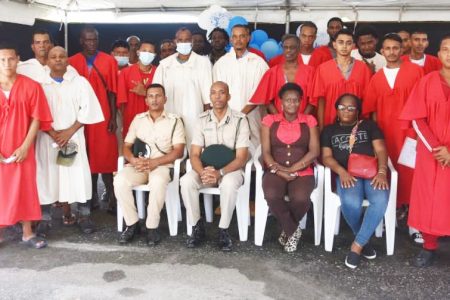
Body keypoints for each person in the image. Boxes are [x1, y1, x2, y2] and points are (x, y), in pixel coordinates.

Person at [363, 33, 424, 244]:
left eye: (395, 48)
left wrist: (418, 134)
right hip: (384, 136)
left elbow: (422, 105)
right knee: (386, 177)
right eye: (387, 48)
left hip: (410, 135)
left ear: (402, 49)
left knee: (413, 179)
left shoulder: (416, 72)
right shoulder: (376, 78)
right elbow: (370, 111)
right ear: (383, 50)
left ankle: (415, 225)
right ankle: (390, 218)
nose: (391, 52)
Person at [36, 46, 104, 235]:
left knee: (77, 176)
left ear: (68, 60)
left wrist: (68, 132)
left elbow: (88, 109)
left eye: (62, 56)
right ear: (47, 61)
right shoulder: (39, 85)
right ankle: (45, 218)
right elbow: (35, 112)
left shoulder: (79, 82)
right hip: (46, 138)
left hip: (72, 138)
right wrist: (52, 132)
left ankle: (83, 215)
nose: (58, 59)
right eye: (53, 57)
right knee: (47, 177)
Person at [321, 93, 390, 269]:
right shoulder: (329, 130)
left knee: (380, 199)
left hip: (372, 172)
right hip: (347, 173)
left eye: (351, 108)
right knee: (351, 202)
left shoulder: (369, 126)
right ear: (336, 110)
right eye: (342, 107)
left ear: (358, 111)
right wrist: (341, 172)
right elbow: (327, 157)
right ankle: (364, 240)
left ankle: (357, 245)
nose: (346, 111)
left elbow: (381, 149)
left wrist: (382, 171)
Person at [180, 81, 250, 252]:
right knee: (187, 181)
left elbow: (242, 157)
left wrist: (220, 172)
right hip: (207, 169)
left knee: (228, 183)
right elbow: (194, 154)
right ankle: (197, 227)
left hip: (231, 169)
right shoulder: (201, 120)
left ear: (229, 96)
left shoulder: (240, 120)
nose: (217, 96)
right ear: (209, 97)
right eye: (213, 93)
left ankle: (223, 230)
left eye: (222, 92)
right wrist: (202, 171)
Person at [399, 34, 450, 267]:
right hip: (431, 154)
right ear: (438, 54)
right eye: (445, 49)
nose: (449, 53)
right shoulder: (427, 81)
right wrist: (437, 148)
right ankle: (429, 246)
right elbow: (417, 118)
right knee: (428, 199)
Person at [114, 83, 185, 246]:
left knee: (158, 182)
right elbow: (126, 146)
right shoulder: (138, 120)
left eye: (158, 96)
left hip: (161, 165)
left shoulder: (175, 121)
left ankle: (152, 227)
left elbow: (178, 151)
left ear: (165, 99)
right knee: (119, 180)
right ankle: (132, 224)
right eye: (151, 96)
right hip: (138, 165)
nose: (154, 99)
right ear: (146, 100)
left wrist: (156, 162)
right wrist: (132, 160)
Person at [0, 42, 52, 249]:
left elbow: (37, 119)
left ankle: (28, 232)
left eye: (10, 59)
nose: (6, 63)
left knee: (25, 187)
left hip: (22, 147)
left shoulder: (31, 86)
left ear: (18, 59)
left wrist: (25, 147)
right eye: (2, 60)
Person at [261, 83, 319, 252]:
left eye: (295, 100)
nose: (292, 104)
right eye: (288, 100)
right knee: (271, 194)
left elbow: (314, 151)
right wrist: (278, 170)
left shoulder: (309, 120)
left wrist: (295, 168)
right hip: (275, 169)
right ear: (281, 102)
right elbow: (265, 151)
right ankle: (293, 230)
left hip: (303, 170)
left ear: (301, 102)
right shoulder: (269, 120)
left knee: (301, 198)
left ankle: (287, 231)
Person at [69, 26, 119, 212]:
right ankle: (91, 197)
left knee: (106, 156)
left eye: (94, 40)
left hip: (103, 115)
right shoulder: (71, 62)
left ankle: (113, 196)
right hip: (80, 117)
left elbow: (113, 92)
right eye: (87, 40)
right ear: (81, 41)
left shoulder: (109, 61)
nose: (91, 43)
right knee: (85, 156)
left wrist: (113, 117)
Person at [153, 27, 212, 146]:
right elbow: (156, 94)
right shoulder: (165, 65)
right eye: (180, 40)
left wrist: (207, 120)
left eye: (187, 40)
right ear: (175, 41)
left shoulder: (203, 63)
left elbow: (208, 96)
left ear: (192, 41)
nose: (184, 43)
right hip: (170, 113)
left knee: (195, 145)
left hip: (195, 114)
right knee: (171, 145)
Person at [213, 24, 268, 150]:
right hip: (226, 116)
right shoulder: (221, 63)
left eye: (242, 36)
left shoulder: (258, 63)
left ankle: (254, 171)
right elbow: (217, 93)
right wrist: (229, 115)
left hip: (252, 116)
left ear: (248, 38)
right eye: (235, 36)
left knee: (253, 152)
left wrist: (241, 115)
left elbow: (261, 93)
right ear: (231, 39)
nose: (238, 40)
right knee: (228, 150)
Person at [312, 29, 371, 130]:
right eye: (340, 42)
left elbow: (367, 100)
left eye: (348, 43)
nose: (344, 46)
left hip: (356, 125)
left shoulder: (363, 68)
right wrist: (322, 128)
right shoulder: (323, 69)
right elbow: (320, 101)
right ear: (334, 44)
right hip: (330, 122)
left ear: (353, 46)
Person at [250, 34, 315, 115]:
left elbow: (313, 100)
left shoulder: (310, 71)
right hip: (279, 121)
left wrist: (302, 119)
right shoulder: (272, 72)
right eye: (285, 47)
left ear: (299, 49)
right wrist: (279, 118)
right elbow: (267, 100)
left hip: (303, 121)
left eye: (292, 47)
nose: (288, 50)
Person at [117, 41, 157, 139]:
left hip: (155, 120)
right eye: (144, 50)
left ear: (155, 55)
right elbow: (121, 102)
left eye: (150, 52)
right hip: (131, 120)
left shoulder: (159, 72)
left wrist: (145, 93)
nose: (147, 54)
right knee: (131, 150)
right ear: (138, 52)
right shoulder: (125, 73)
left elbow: (163, 99)